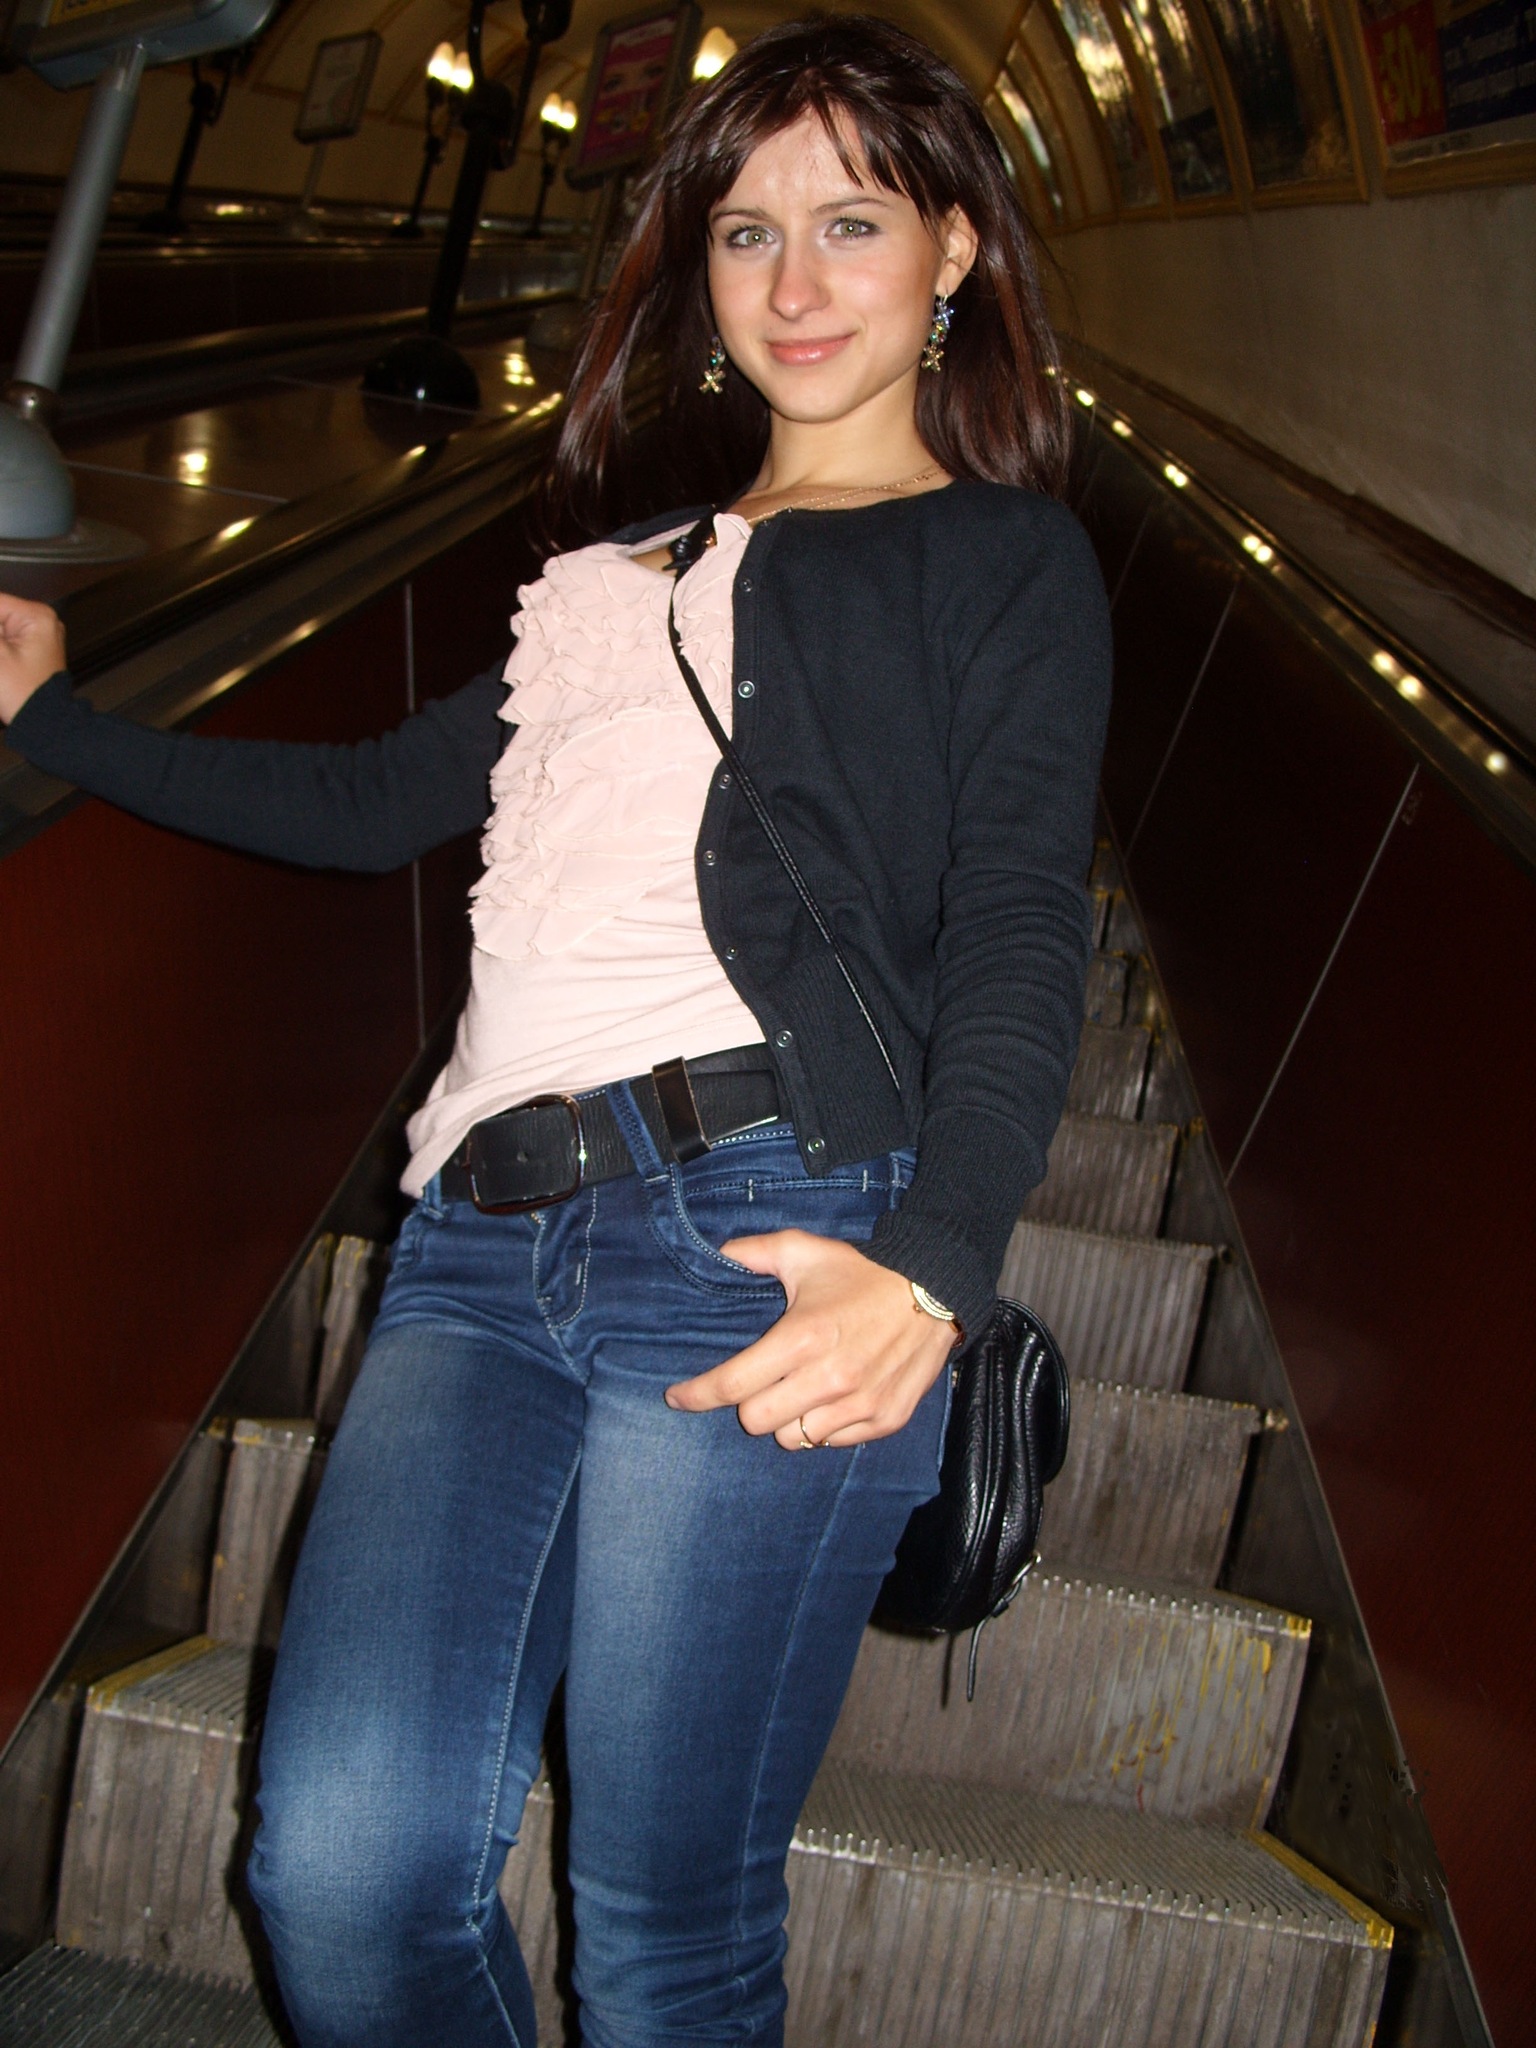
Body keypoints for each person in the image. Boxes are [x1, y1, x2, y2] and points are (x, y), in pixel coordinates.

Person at [0, 16, 1110, 2046]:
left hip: (769, 1232)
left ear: (954, 250)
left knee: (666, 1928)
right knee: (343, 1869)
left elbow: (1029, 923)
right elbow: (364, 802)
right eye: (747, 231)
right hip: (475, 1255)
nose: (792, 281)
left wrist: (937, 1265)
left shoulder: (998, 558)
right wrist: (52, 722)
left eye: (852, 223)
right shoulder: (603, 581)